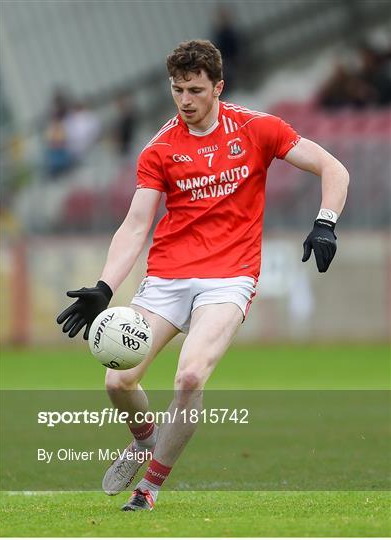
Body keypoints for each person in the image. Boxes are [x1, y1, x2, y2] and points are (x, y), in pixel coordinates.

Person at [57, 40, 349, 511]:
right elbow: (136, 224)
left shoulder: (258, 129)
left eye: (195, 90)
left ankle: (148, 489)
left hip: (229, 277)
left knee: (190, 377)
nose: (185, 101)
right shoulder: (160, 149)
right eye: (177, 90)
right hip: (168, 277)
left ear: (218, 87)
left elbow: (331, 166)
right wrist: (106, 287)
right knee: (118, 383)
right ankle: (147, 439)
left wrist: (326, 222)